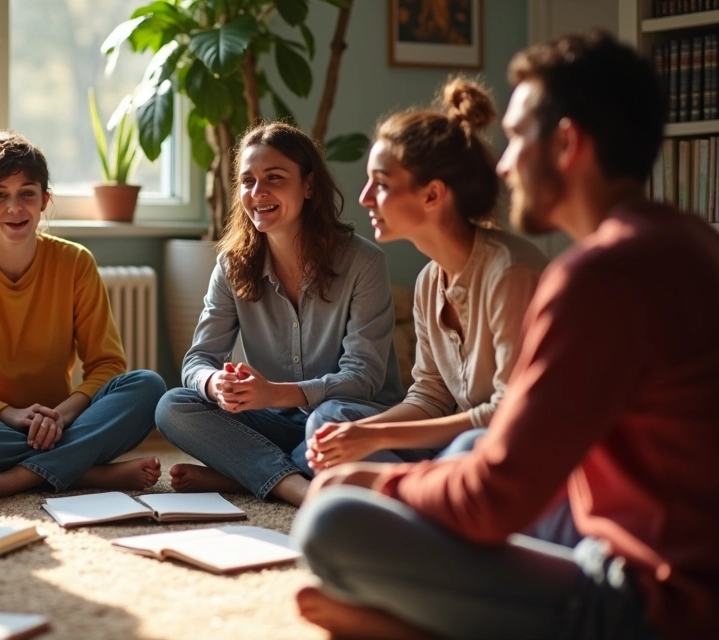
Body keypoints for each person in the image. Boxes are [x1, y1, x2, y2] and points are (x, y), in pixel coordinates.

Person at [292, 31, 719, 640]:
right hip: (651, 535)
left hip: (659, 602)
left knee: (330, 523)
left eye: (518, 137)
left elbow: (495, 502)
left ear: (567, 143)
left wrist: (378, 479)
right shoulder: (688, 240)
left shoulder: (595, 277)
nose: (503, 163)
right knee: (466, 454)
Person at [0, 129, 166, 502]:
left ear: (45, 200)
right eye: (0, 195)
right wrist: (8, 414)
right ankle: (84, 471)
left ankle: (18, 477)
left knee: (149, 386)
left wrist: (61, 415)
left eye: (27, 193)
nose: (15, 208)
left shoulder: (75, 262)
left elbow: (107, 365)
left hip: (59, 425)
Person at [154, 122, 407, 507]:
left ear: (308, 186)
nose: (258, 193)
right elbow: (197, 361)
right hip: (278, 422)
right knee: (172, 406)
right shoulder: (232, 265)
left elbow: (364, 379)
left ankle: (249, 474)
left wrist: (275, 392)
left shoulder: (364, 262)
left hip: (350, 419)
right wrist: (214, 384)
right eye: (248, 181)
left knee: (329, 416)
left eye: (274, 178)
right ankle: (294, 485)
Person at [309, 78, 547, 472]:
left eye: (381, 184)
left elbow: (512, 412)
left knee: (471, 446)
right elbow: (431, 396)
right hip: (460, 445)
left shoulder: (510, 273)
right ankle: (417, 492)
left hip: (518, 451)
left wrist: (377, 438)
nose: (365, 197)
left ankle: (408, 492)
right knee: (328, 422)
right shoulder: (428, 282)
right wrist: (356, 434)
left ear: (433, 195)